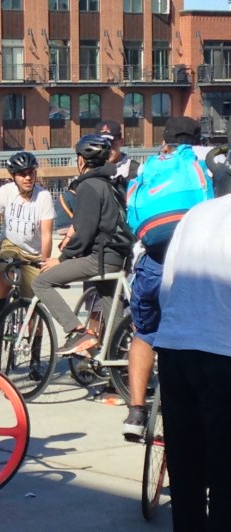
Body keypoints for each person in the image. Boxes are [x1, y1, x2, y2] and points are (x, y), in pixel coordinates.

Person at [122, 117, 212, 441]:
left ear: (164, 141)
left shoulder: (149, 167)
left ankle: (135, 411)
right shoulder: (201, 160)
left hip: (154, 262)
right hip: (190, 265)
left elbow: (131, 216)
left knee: (144, 333)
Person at [153, 193, 231, 531]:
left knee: (185, 471)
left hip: (175, 347)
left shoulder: (198, 213)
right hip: (222, 351)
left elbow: (166, 286)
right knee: (225, 473)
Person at [32, 135, 132, 356]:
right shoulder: (110, 183)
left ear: (81, 160)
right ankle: (119, 370)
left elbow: (84, 232)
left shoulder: (89, 186)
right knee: (113, 316)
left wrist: (62, 258)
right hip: (117, 257)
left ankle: (78, 332)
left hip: (100, 259)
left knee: (41, 282)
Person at [0, 152, 55, 335]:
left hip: (33, 253)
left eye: (31, 172)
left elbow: (46, 235)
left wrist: (44, 262)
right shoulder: (5, 192)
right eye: (22, 174)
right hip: (10, 244)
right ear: (13, 176)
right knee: (8, 274)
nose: (28, 177)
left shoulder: (43, 197)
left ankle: (36, 352)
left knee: (33, 305)